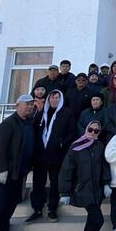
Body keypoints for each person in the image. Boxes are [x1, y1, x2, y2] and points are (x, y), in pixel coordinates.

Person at [58, 121, 109, 231]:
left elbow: (104, 166)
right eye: (91, 129)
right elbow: (67, 169)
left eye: (96, 130)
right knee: (98, 220)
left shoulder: (99, 146)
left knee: (92, 222)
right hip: (83, 190)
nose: (93, 132)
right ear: (86, 129)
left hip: (96, 191)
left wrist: (106, 183)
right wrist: (65, 192)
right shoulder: (76, 146)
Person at [0, 94, 35, 231]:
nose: (29, 107)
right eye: (26, 104)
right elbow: (0, 148)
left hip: (18, 173)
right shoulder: (8, 124)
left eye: (31, 104)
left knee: (12, 202)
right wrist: (2, 169)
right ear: (17, 106)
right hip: (3, 174)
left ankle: (4, 229)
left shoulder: (28, 123)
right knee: (0, 204)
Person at [29, 89, 73, 223]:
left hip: (56, 154)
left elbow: (71, 132)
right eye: (52, 98)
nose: (54, 100)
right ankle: (37, 209)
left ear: (61, 99)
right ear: (48, 99)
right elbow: (34, 130)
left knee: (54, 183)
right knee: (38, 183)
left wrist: (61, 144)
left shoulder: (67, 113)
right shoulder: (42, 113)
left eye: (57, 98)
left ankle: (52, 209)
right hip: (40, 155)